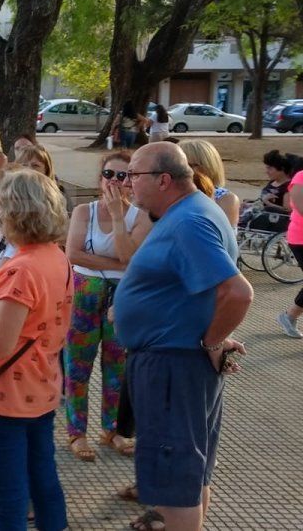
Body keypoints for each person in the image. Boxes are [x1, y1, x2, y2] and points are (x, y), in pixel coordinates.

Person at [113, 142, 252, 531]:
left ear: (163, 179)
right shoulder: (192, 212)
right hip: (175, 361)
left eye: (133, 176)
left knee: (174, 487)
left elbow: (237, 292)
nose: (126, 184)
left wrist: (212, 341)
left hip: (172, 366)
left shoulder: (189, 221)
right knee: (190, 477)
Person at [0, 168, 72, 531]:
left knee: (9, 498)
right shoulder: (57, 257)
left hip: (5, 397)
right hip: (42, 388)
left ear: (15, 212)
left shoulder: (20, 270)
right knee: (44, 483)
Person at [62, 152, 152, 461]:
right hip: (83, 296)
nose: (114, 181)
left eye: (122, 175)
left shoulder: (139, 217)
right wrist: (116, 263)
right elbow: (73, 254)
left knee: (117, 368)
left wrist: (116, 216)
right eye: (108, 174)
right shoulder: (83, 212)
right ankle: (76, 432)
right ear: (100, 178)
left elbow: (131, 259)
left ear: (132, 181)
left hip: (122, 299)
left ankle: (111, 428)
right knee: (77, 367)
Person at [180, 140, 240, 227]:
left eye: (190, 165)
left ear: (208, 166)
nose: (183, 171)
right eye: (180, 166)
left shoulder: (225, 199)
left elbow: (221, 235)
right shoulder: (169, 195)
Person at [276, 160, 303, 339]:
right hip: (300, 238)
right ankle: (289, 316)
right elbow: (301, 208)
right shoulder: (300, 177)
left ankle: (289, 316)